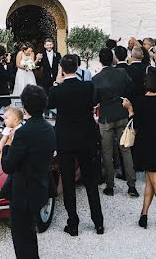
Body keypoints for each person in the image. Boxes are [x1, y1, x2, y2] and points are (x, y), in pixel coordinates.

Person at [48, 55, 104, 236]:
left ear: (62, 69)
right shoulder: (88, 86)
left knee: (68, 182)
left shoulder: (57, 90)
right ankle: (98, 222)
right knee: (90, 181)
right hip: (86, 137)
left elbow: (50, 104)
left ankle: (73, 223)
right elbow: (93, 102)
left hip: (65, 139)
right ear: (78, 67)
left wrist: (57, 82)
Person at [0, 85, 56, 259]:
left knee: (21, 237)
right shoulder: (49, 128)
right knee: (29, 233)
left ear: (25, 108)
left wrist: (8, 145)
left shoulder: (23, 133)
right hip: (40, 185)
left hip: (23, 190)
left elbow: (7, 166)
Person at [125, 67, 156, 232]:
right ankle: (143, 215)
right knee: (150, 181)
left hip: (147, 145)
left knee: (155, 180)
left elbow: (136, 125)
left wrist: (130, 110)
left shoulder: (141, 102)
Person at [92, 47, 137, 197]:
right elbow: (130, 87)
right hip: (121, 112)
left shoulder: (97, 78)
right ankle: (132, 186)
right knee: (126, 150)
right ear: (113, 59)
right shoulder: (121, 73)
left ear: (100, 60)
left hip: (106, 116)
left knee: (107, 152)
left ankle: (110, 186)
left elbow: (94, 100)